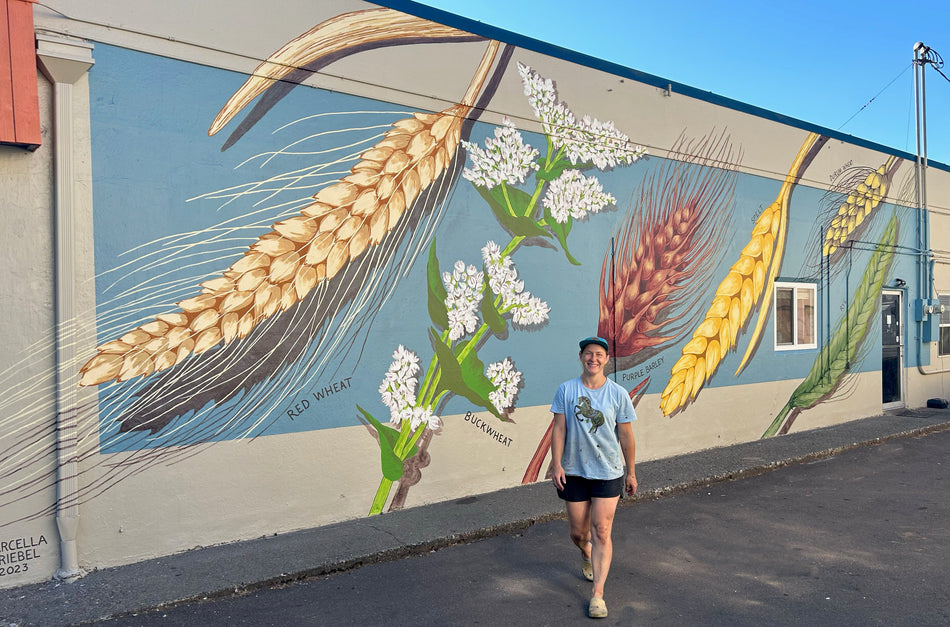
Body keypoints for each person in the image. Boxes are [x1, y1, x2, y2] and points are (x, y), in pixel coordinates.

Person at [550, 336, 637, 619]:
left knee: (602, 529)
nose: (594, 359)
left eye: (599, 354)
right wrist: (556, 464)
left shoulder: (618, 394)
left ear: (606, 359)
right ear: (581, 357)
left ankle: (597, 594)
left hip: (608, 471)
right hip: (574, 470)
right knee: (579, 532)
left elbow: (626, 435)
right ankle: (586, 552)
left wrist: (631, 471)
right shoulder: (566, 390)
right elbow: (559, 430)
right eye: (589, 354)